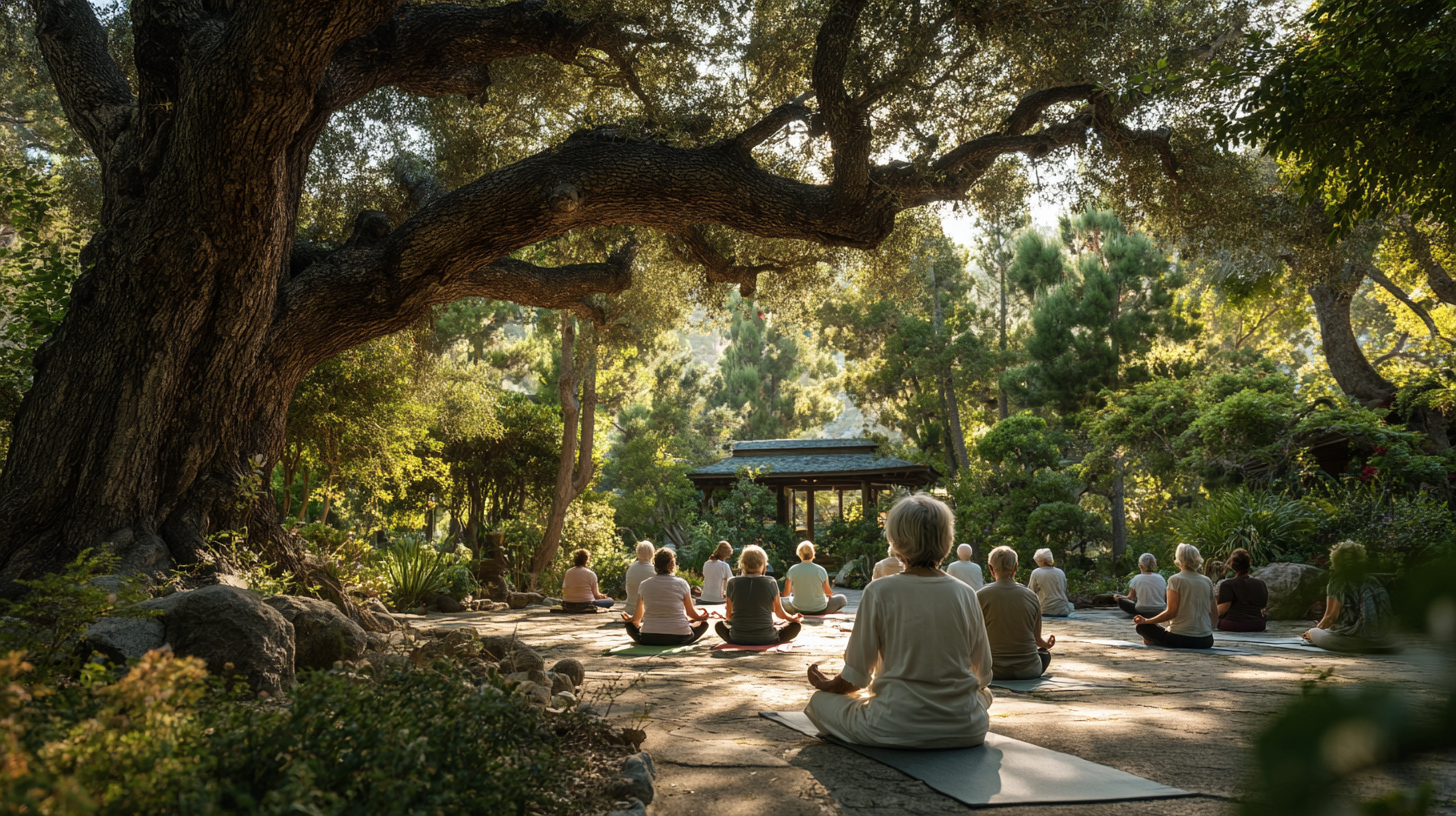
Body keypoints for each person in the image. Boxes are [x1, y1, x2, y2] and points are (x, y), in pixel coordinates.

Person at [803, 494, 995, 749]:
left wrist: (827, 685)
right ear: (947, 542)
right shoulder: (966, 593)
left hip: (893, 726)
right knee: (986, 695)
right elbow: (982, 675)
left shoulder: (879, 591)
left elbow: (854, 679)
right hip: (966, 728)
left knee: (818, 702)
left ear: (896, 541)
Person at [1303, 540, 1397, 653]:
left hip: (1354, 641)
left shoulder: (1337, 582)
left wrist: (1315, 631)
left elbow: (1330, 618)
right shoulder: (1373, 581)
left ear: (1335, 560)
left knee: (1313, 632)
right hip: (1383, 641)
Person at [977, 546, 1055, 679]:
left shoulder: (979, 595)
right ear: (1016, 567)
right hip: (1028, 670)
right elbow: (1037, 641)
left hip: (990, 671)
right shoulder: (1031, 596)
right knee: (1044, 654)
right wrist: (1047, 644)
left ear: (990, 568)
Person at [1133, 543, 1216, 649]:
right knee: (1153, 635)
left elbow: (1171, 613)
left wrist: (1146, 621)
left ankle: (1154, 640)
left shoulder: (1175, 580)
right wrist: (1206, 631)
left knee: (1142, 627)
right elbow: (1214, 612)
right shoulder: (1207, 580)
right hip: (1206, 641)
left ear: (1179, 559)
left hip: (1180, 638)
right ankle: (1153, 640)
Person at [621, 548, 711, 645]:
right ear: (672, 564)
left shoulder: (644, 585)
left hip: (649, 638)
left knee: (629, 626)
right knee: (703, 624)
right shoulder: (682, 583)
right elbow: (690, 613)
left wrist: (630, 620)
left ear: (654, 564)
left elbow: (637, 619)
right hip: (679, 637)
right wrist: (701, 617)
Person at [716, 545, 802, 644]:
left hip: (738, 637)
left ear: (742, 564)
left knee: (719, 625)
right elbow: (779, 613)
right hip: (767, 638)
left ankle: (737, 638)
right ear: (763, 564)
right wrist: (793, 618)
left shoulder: (732, 582)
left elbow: (729, 616)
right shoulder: (771, 582)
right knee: (795, 626)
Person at [782, 541, 849, 615]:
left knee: (780, 601)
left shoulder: (792, 570)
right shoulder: (821, 570)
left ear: (799, 554)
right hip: (820, 609)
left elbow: (786, 594)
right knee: (842, 598)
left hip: (798, 609)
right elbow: (828, 593)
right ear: (813, 554)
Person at [1216, 548, 1268, 632]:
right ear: (1249, 563)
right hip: (1258, 625)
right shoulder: (1260, 583)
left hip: (1234, 625)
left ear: (1232, 564)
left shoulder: (1227, 584)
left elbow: (1222, 610)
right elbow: (1262, 605)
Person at [1114, 553, 1167, 618]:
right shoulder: (1161, 578)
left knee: (1121, 601)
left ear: (1141, 566)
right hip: (1160, 609)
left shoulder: (1136, 578)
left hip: (1141, 609)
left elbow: (1130, 597)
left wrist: (1119, 597)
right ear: (1154, 565)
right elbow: (1165, 596)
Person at [1027, 549, 1074, 617]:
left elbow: (1031, 592)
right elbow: (1064, 589)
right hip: (1062, 609)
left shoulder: (1036, 572)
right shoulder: (1060, 572)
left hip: (1045, 610)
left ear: (1039, 560)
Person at [623, 541, 657, 616]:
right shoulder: (655, 571)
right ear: (652, 553)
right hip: (648, 612)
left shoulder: (631, 568)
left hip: (630, 610)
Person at [700, 541, 734, 605]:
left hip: (704, 597)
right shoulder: (724, 565)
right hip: (718, 599)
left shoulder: (706, 564)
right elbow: (731, 582)